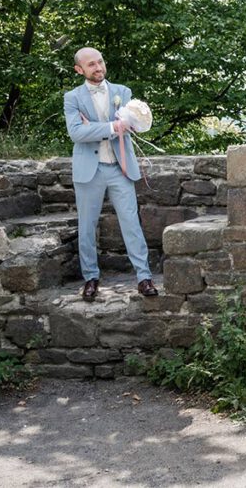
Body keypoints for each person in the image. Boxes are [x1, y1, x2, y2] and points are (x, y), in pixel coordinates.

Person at [63, 47, 158, 301]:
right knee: (87, 226)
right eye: (91, 64)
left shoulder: (122, 92)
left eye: (100, 62)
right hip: (88, 170)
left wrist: (93, 127)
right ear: (79, 69)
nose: (98, 67)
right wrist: (112, 126)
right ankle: (91, 279)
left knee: (131, 223)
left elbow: (134, 126)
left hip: (120, 167)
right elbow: (76, 134)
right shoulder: (72, 98)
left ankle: (143, 277)